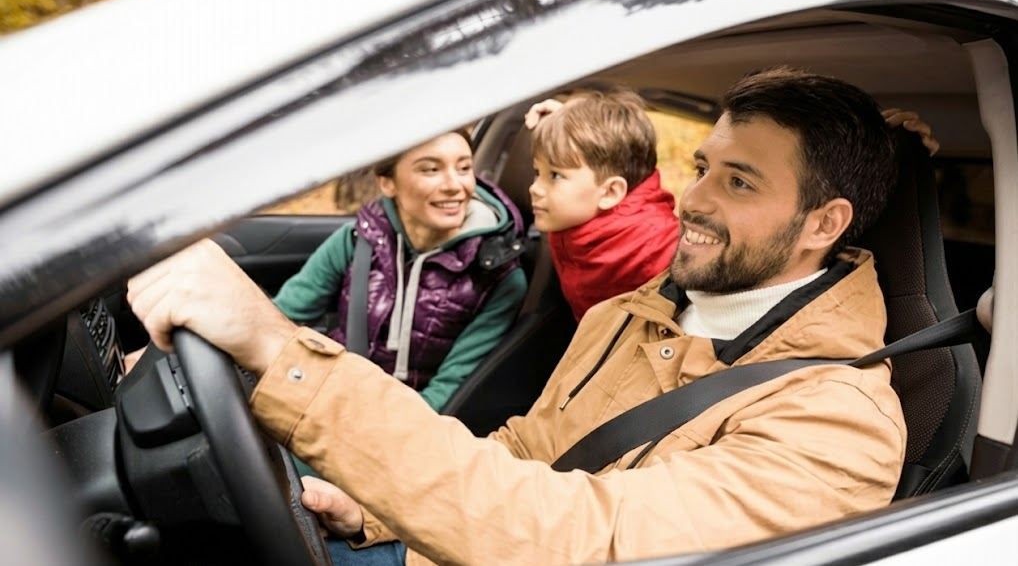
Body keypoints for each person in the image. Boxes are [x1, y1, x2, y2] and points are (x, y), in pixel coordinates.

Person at [127, 66, 938, 566]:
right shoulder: (633, 312)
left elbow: (582, 542)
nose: (691, 199)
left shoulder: (836, 423)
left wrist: (276, 346)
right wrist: (370, 510)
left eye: (740, 182)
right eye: (703, 167)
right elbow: (526, 449)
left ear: (824, 224)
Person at [272, 130, 528, 412]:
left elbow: (449, 393)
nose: (455, 185)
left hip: (405, 423)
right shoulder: (358, 240)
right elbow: (282, 319)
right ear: (387, 183)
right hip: (331, 396)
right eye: (431, 169)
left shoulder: (498, 277)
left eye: (464, 168)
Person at [526, 88, 680, 321]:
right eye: (538, 172)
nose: (535, 188)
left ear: (610, 192)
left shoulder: (656, 246)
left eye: (555, 175)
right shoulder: (576, 218)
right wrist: (569, 124)